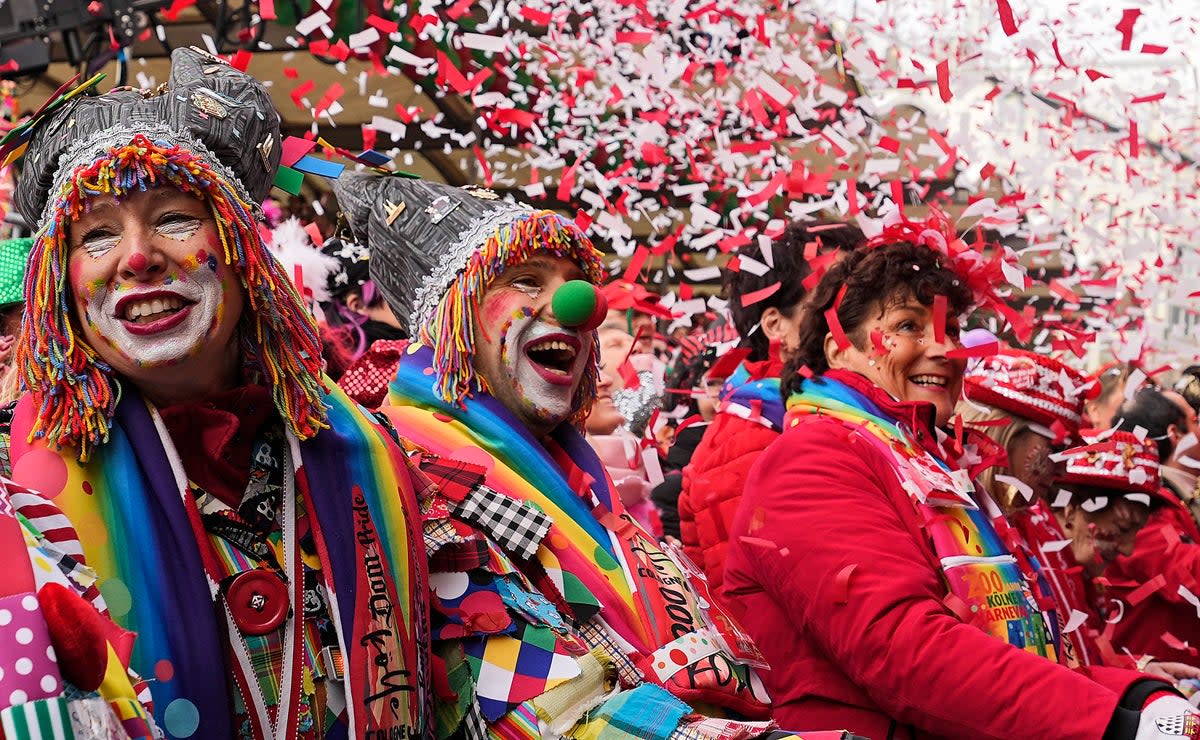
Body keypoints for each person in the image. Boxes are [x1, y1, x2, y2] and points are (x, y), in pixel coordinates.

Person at [0, 48, 429, 738]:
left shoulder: (376, 454)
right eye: (100, 234)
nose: (137, 257)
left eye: (173, 218)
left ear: (243, 254)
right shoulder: (12, 495)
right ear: (63, 287)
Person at [332, 172, 805, 739]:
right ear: (451, 322)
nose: (581, 305)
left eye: (579, 283)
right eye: (527, 280)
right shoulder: (410, 479)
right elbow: (549, 717)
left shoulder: (579, 478)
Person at [722, 210, 1200, 739]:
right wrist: (1112, 724)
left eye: (950, 329)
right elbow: (905, 651)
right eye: (908, 325)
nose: (945, 349)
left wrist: (1137, 695)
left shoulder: (930, 462)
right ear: (840, 348)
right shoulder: (810, 458)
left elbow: (1012, 646)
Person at [677, 220, 863, 598]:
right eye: (835, 302)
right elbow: (792, 610)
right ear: (776, 324)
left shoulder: (849, 410)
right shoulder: (751, 442)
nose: (861, 319)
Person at [1106, 387, 1200, 665]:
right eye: (1195, 420)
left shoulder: (1166, 495)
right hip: (1156, 675)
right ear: (1175, 434)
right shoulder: (1140, 504)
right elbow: (1187, 575)